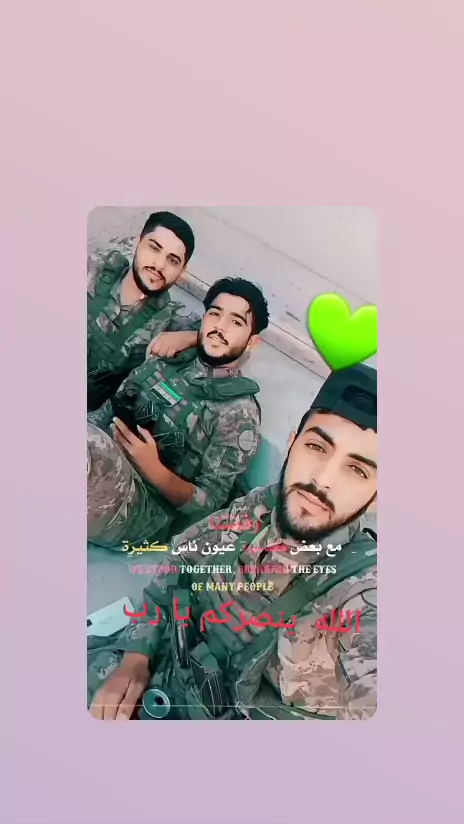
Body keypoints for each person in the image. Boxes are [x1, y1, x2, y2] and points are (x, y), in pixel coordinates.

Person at [88, 363, 378, 721]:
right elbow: (180, 563)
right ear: (292, 445)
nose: (322, 478)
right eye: (317, 446)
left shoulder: (363, 596)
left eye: (358, 470)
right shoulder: (261, 506)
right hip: (159, 668)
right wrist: (136, 657)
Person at [87, 277, 270, 548]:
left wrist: (154, 470)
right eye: (215, 314)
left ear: (252, 342)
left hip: (144, 513)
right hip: (101, 465)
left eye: (235, 322)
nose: (220, 326)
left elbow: (208, 507)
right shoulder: (167, 359)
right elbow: (106, 411)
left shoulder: (239, 414)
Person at [87, 211, 201, 411]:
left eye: (173, 260)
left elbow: (232, 340)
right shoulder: (91, 271)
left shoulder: (170, 319)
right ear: (139, 241)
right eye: (154, 248)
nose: (159, 265)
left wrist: (190, 337)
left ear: (182, 271)